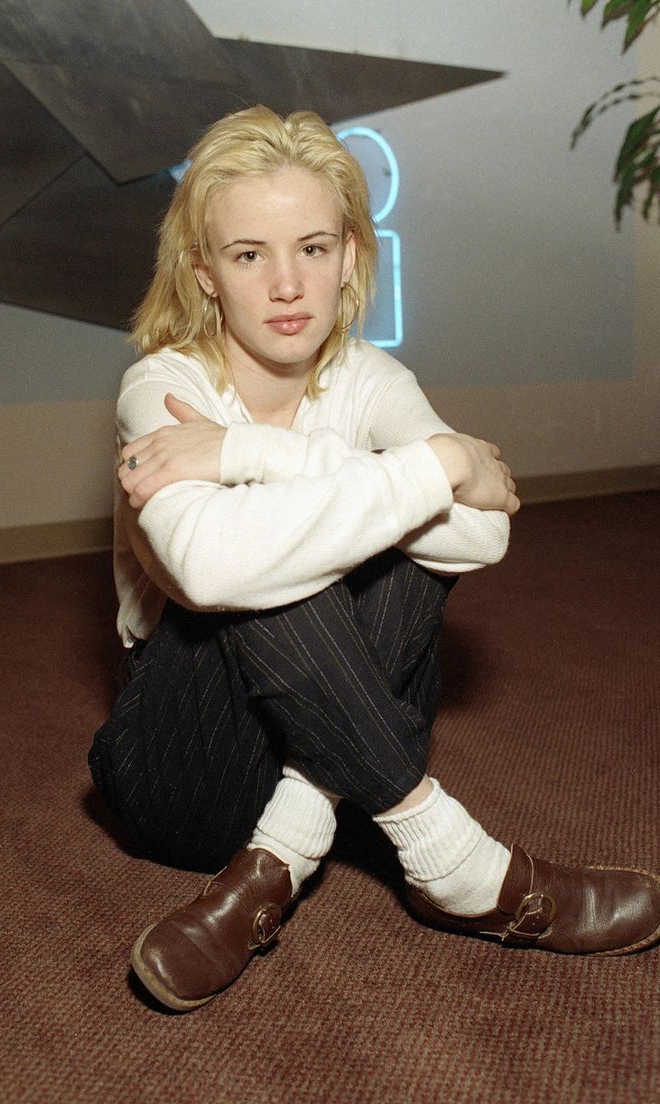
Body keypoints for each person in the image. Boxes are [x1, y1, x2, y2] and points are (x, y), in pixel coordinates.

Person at [89, 105, 660, 1013]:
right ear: (205, 273)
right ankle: (462, 866)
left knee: (387, 557)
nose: (286, 285)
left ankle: (273, 865)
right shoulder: (164, 389)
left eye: (312, 248)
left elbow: (483, 536)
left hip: (328, 732)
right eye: (248, 256)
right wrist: (439, 465)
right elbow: (209, 571)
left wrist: (253, 455)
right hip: (184, 760)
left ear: (351, 255)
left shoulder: (372, 381)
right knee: (278, 566)